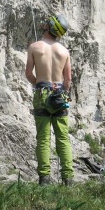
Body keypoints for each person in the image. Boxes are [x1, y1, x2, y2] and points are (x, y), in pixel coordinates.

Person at [25, 13, 73, 186]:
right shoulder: (64, 51)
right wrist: (62, 92)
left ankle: (44, 179)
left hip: (42, 93)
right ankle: (68, 178)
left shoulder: (34, 47)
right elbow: (68, 80)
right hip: (59, 93)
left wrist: (39, 85)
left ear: (49, 27)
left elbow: (29, 74)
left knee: (43, 138)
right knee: (63, 138)